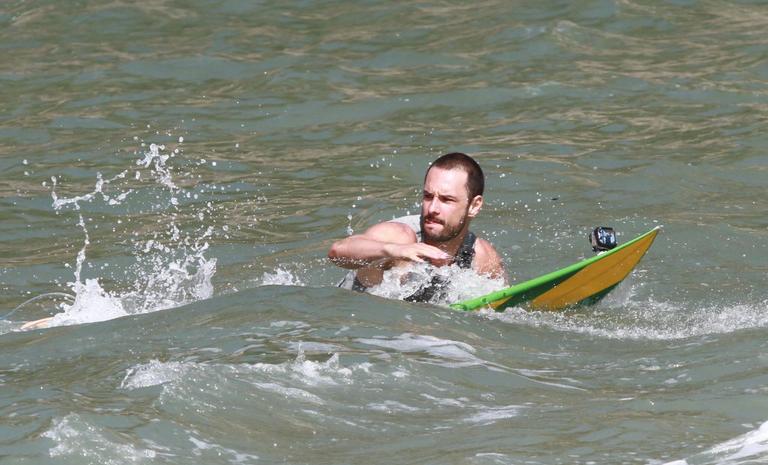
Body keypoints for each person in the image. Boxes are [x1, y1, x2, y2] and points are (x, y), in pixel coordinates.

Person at [328, 152, 506, 302]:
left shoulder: (481, 257)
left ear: (474, 206)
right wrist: (394, 250)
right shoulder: (399, 236)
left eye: (446, 200)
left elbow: (504, 309)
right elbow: (337, 252)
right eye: (428, 196)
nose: (433, 208)